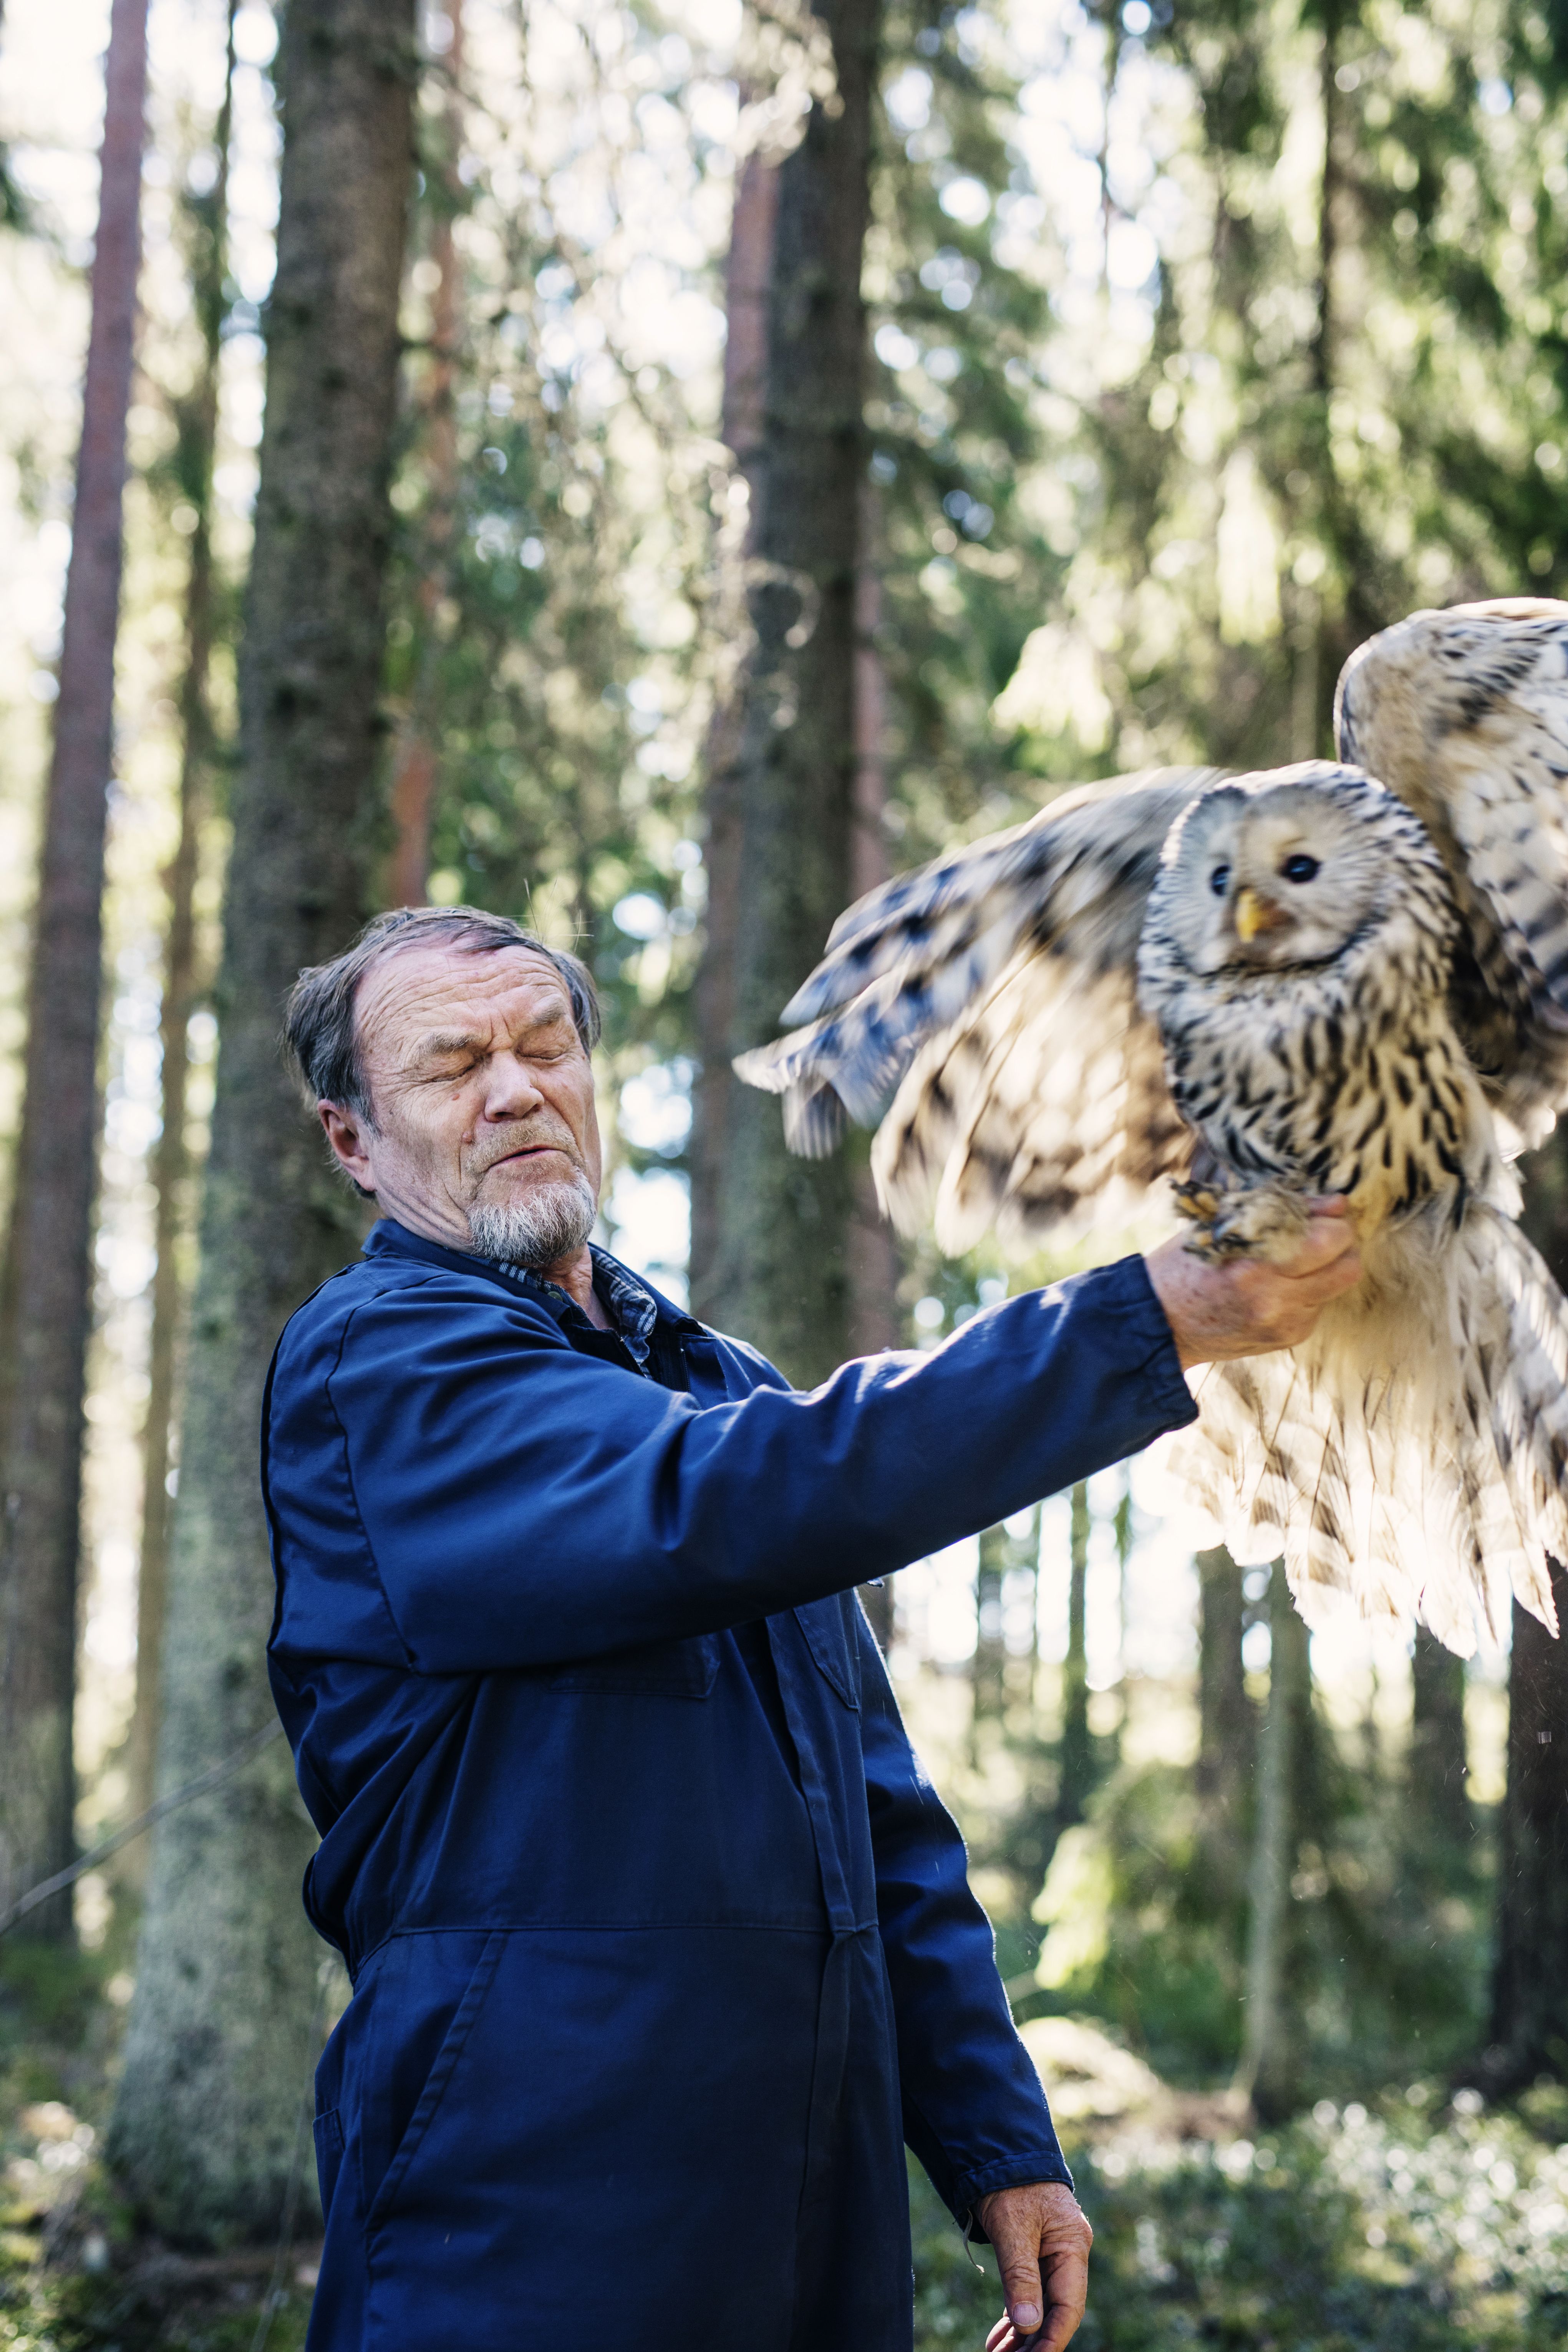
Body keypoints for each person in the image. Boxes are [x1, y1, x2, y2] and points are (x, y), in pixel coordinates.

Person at [264, 905, 1361, 2352]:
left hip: (806, 2215)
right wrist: (1139, 1323)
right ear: (356, 1141)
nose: (516, 1087)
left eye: (546, 1046)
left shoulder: (716, 1379)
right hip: (527, 2211)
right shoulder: (385, 1360)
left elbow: (878, 1809)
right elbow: (716, 1497)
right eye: (452, 1063)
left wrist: (993, 2140)